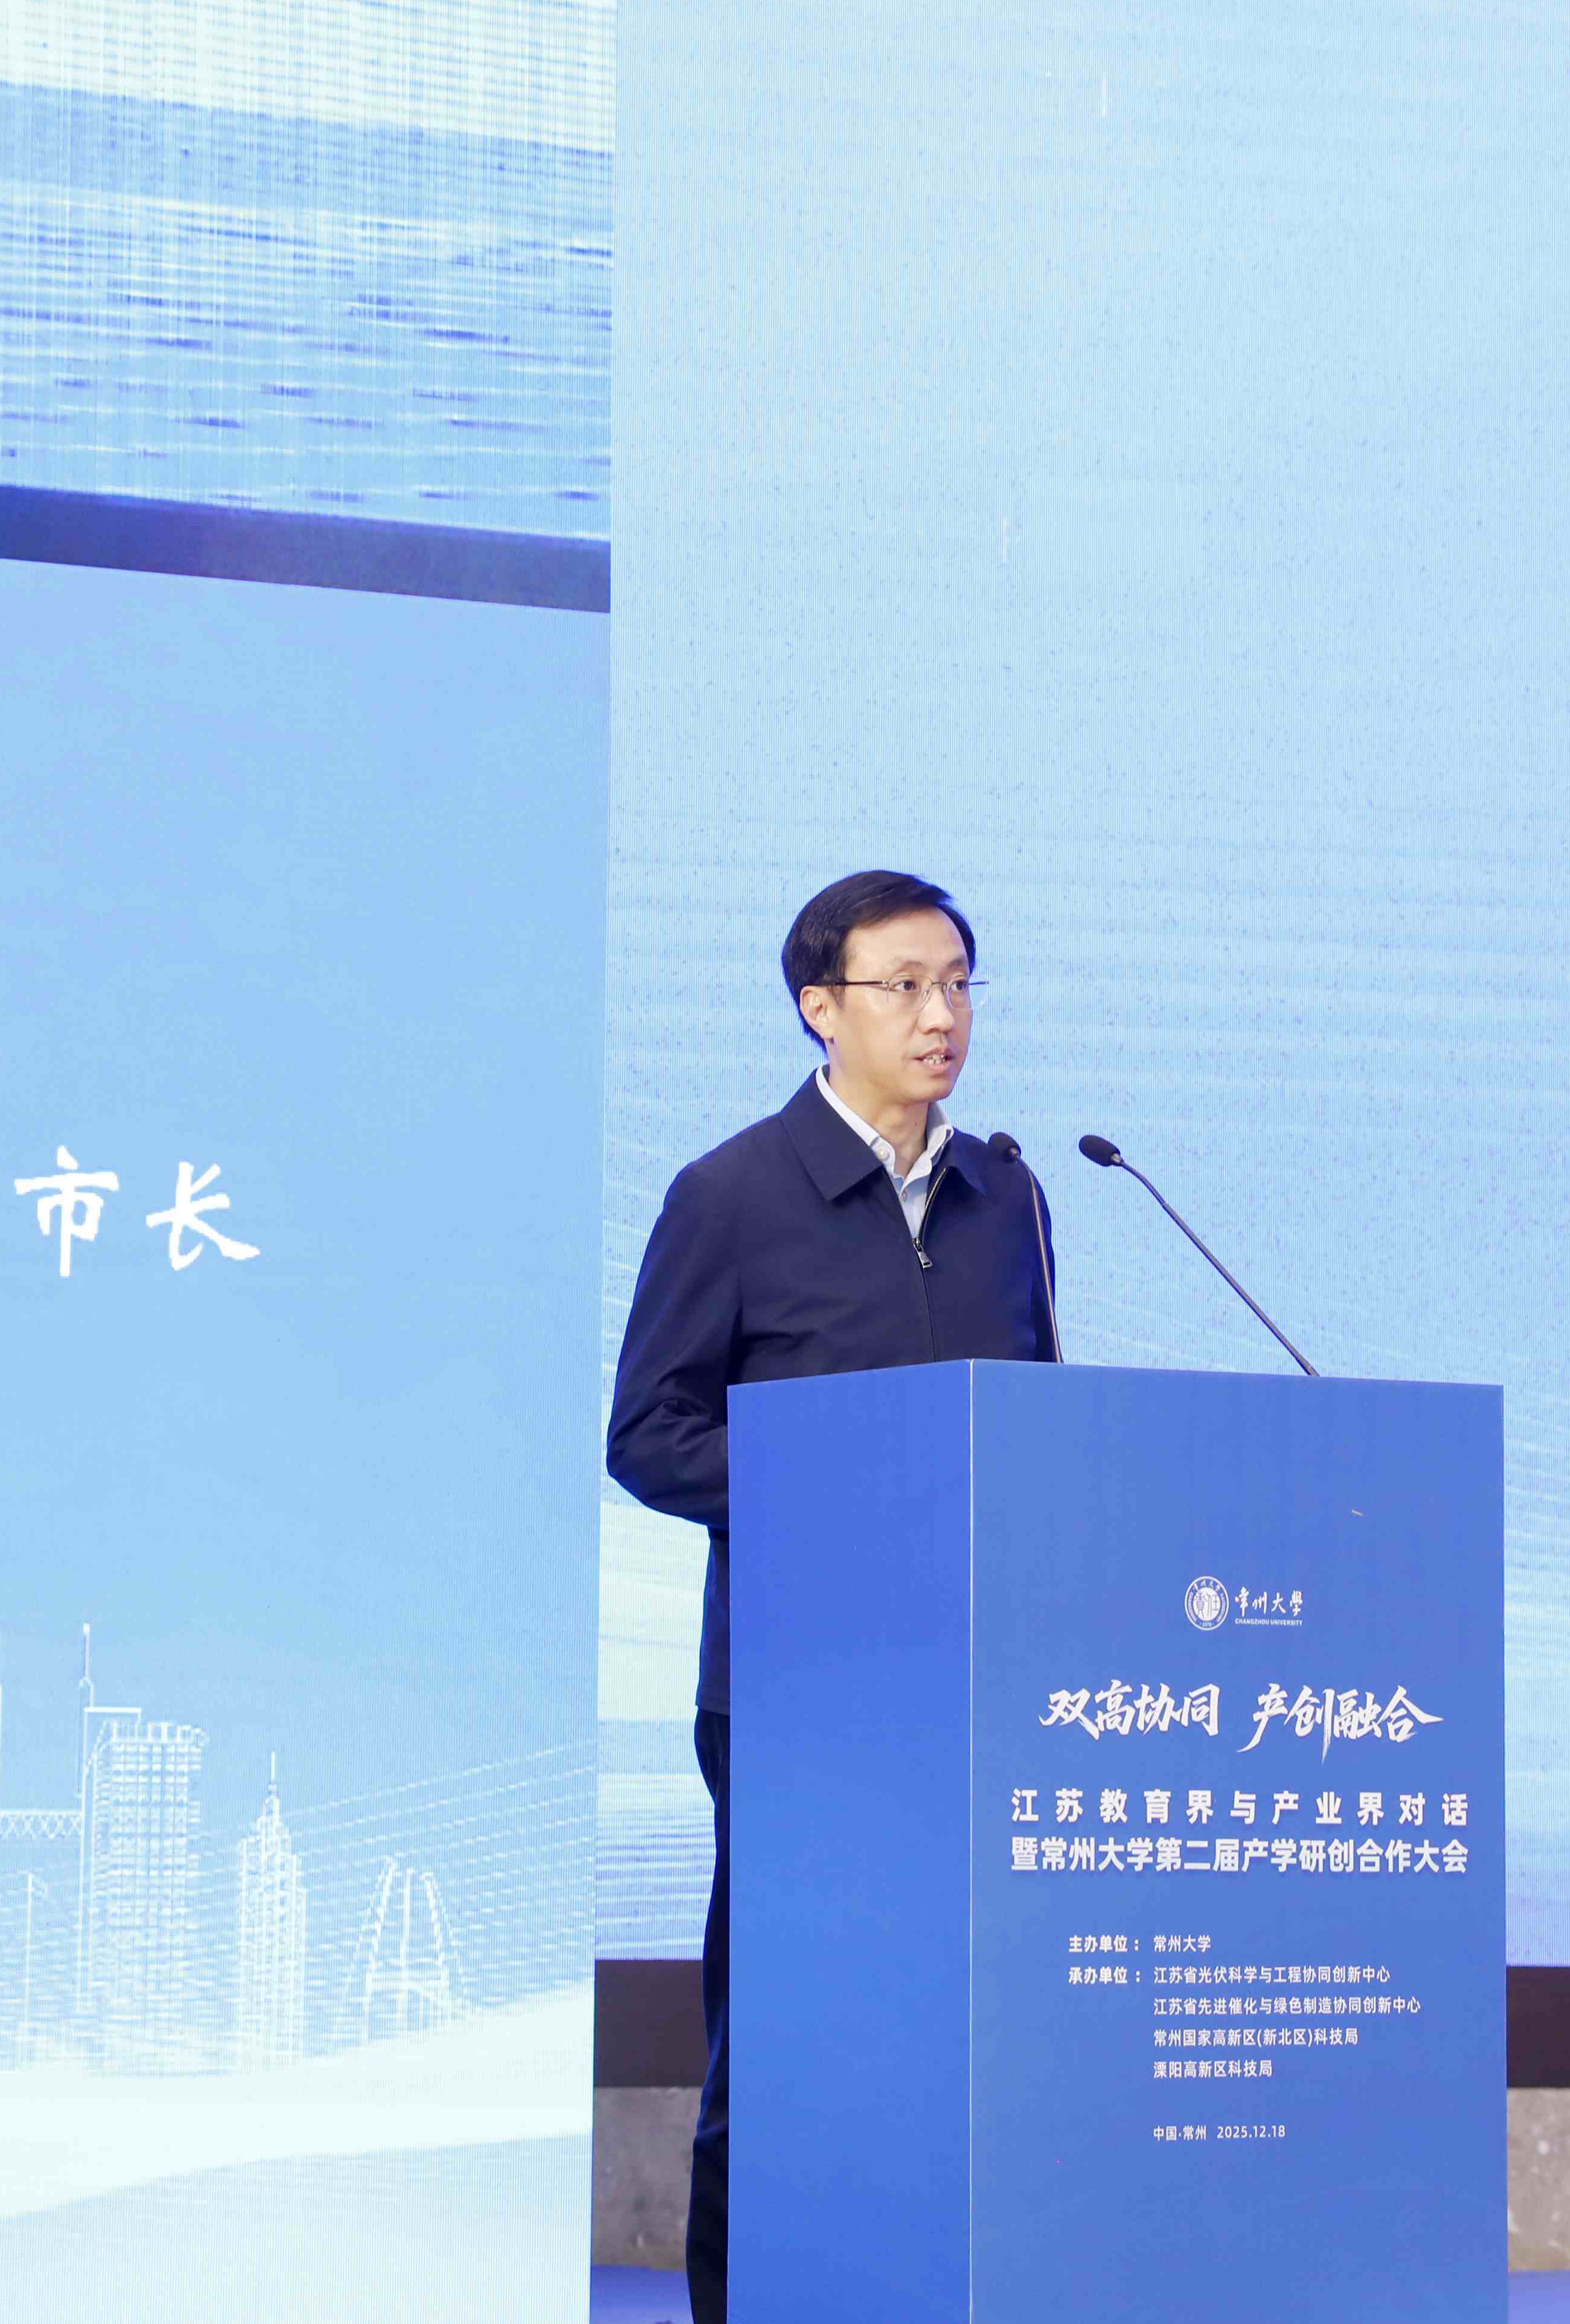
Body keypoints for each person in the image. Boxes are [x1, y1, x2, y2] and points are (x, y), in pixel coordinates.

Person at [607, 869, 1058, 2324]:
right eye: (905, 985)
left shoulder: (1008, 1192)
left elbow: (1035, 1425)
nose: (942, 1015)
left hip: (974, 1686)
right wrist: (843, 1490)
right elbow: (650, 1433)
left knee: (958, 2039)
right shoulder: (732, 1194)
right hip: (800, 1692)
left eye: (960, 983)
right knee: (788, 2044)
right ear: (821, 1006)